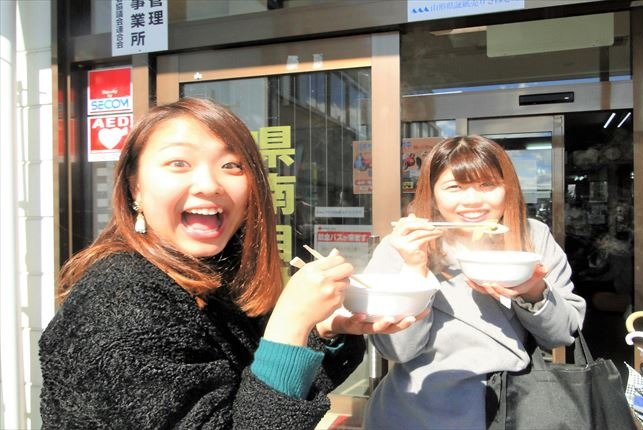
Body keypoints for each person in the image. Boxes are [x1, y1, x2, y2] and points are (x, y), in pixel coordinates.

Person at [39, 98, 418, 429]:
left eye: (232, 166)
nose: (209, 184)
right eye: (178, 163)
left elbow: (262, 398)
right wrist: (290, 323)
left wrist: (323, 329)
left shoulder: (213, 278)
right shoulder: (118, 301)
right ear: (135, 186)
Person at [363, 135, 586, 430]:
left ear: (507, 188)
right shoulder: (403, 245)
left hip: (513, 407)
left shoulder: (532, 237)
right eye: (455, 187)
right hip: (416, 412)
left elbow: (563, 333)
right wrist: (414, 268)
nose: (472, 201)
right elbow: (397, 350)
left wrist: (532, 290)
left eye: (487, 185)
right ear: (432, 193)